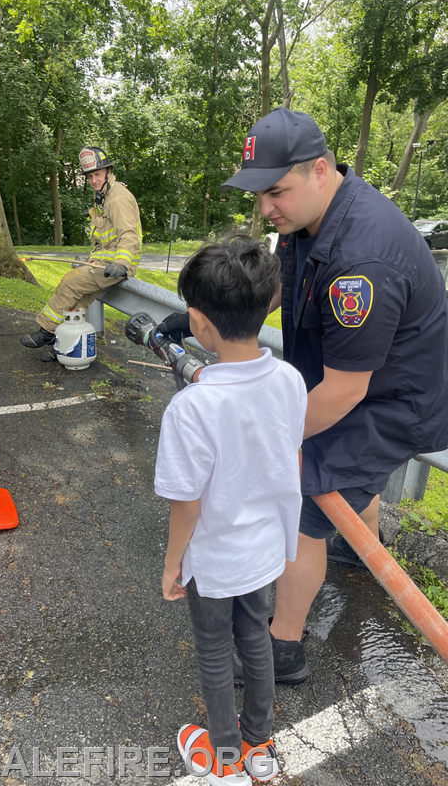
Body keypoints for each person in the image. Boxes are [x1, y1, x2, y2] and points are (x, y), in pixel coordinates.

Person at [161, 107, 448, 684]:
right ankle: (353, 545)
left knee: (304, 508)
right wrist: (212, 316)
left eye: (276, 192)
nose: (266, 208)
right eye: (259, 194)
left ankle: (283, 648)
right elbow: (282, 287)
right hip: (345, 385)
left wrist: (264, 437)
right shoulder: (311, 217)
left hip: (388, 402)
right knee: (334, 489)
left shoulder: (362, 260)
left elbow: (344, 392)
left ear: (319, 170)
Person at [155, 234, 307, 785]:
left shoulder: (190, 408)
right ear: (268, 302)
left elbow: (187, 504)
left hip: (215, 560)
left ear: (197, 322)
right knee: (257, 640)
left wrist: (173, 563)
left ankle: (224, 757)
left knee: (216, 650)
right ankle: (260, 743)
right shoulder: (290, 379)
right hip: (266, 548)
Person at [20, 146, 142, 349]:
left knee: (70, 283)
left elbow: (128, 234)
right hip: (103, 262)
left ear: (108, 172)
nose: (94, 180)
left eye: (98, 174)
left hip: (116, 266)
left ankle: (47, 332)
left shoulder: (118, 198)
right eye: (90, 176)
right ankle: (64, 345)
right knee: (78, 304)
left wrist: (121, 263)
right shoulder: (103, 195)